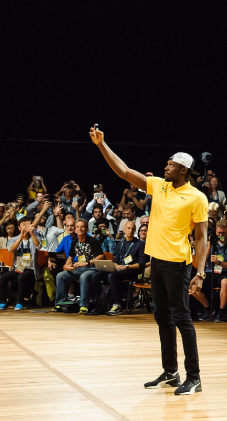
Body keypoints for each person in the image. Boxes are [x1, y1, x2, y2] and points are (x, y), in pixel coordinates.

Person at [90, 124, 208, 395]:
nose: (165, 167)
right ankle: (171, 372)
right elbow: (124, 171)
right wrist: (101, 145)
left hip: (178, 265)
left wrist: (199, 273)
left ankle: (194, 377)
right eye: (166, 164)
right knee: (162, 317)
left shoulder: (196, 198)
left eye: (171, 165)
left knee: (182, 318)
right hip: (156, 262)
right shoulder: (159, 186)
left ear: (184, 171)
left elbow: (202, 239)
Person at [90, 221, 146, 315]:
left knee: (112, 276)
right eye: (128, 228)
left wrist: (126, 266)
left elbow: (141, 265)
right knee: (95, 276)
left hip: (131, 271)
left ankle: (117, 304)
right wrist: (115, 266)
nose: (130, 230)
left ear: (135, 230)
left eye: (132, 228)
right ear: (124, 230)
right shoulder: (121, 244)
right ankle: (101, 303)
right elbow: (116, 261)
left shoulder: (139, 244)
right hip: (118, 270)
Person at [53, 219, 104, 314]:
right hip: (80, 268)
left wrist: (87, 262)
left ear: (87, 229)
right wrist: (67, 266)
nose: (79, 229)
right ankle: (60, 302)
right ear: (75, 230)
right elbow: (70, 258)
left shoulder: (93, 241)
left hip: (93, 268)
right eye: (77, 227)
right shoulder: (75, 242)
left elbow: (101, 256)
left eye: (82, 227)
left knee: (84, 276)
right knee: (61, 275)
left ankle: (84, 305)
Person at [0, 217, 41, 310]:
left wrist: (32, 234)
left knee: (21, 277)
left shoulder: (35, 237)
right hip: (18, 268)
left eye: (28, 224)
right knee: (4, 277)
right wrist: (20, 237)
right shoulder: (14, 239)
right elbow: (11, 249)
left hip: (30, 269)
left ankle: (20, 302)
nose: (26, 227)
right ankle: (2, 301)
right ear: (19, 227)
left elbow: (38, 246)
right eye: (24, 225)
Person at [206, 219, 227, 322]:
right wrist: (210, 245)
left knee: (225, 282)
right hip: (210, 271)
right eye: (219, 233)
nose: (221, 235)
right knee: (194, 284)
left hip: (225, 272)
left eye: (223, 233)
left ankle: (221, 312)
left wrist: (219, 262)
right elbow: (203, 261)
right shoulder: (212, 243)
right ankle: (206, 309)